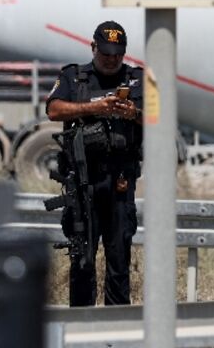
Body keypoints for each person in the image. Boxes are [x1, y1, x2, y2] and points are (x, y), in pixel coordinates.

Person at [46, 20, 144, 306]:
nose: (112, 60)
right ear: (93, 48)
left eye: (117, 54)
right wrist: (94, 107)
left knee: (118, 261)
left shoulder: (138, 78)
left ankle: (116, 332)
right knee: (83, 261)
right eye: (105, 54)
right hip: (83, 183)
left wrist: (133, 113)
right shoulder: (74, 77)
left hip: (120, 182)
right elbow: (53, 110)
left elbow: (159, 115)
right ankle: (80, 330)